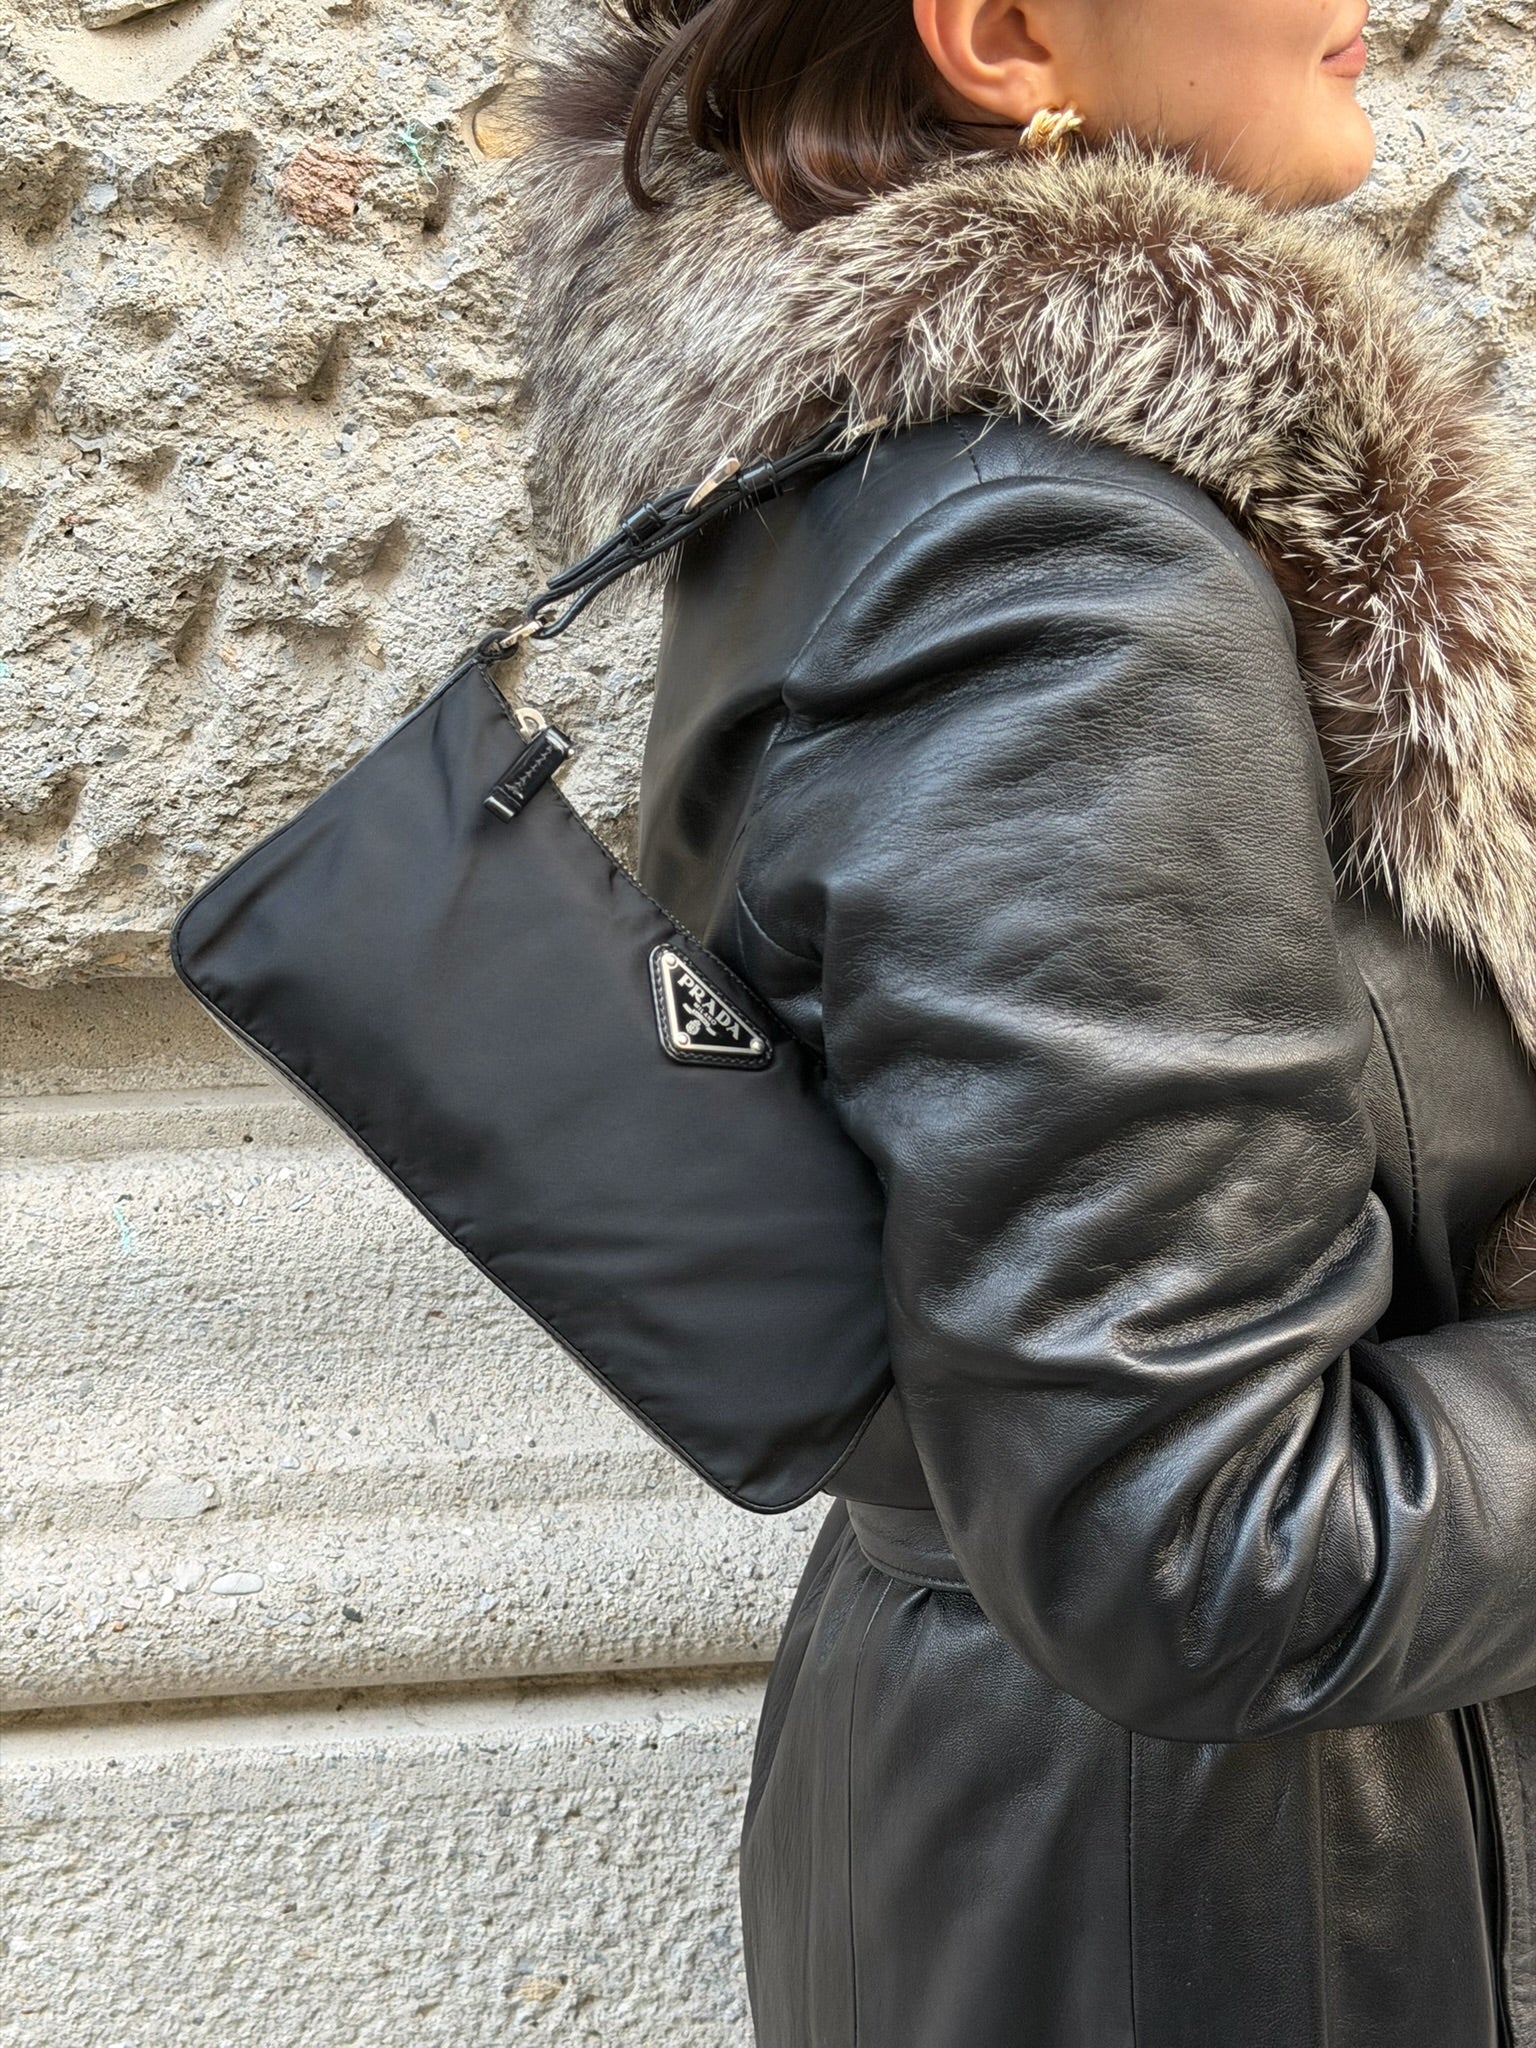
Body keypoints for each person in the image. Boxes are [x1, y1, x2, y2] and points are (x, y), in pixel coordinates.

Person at [517, 3, 1536, 2041]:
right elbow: (1204, 1539)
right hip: (1247, 1914)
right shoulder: (1049, 559)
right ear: (1000, 38)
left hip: (1132, 1863)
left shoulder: (944, 480)